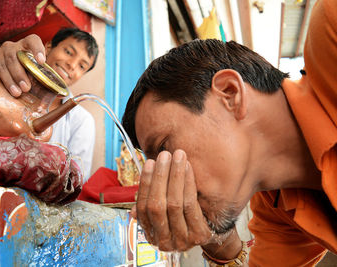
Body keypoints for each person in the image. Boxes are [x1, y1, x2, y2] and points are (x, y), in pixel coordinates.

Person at [121, 0, 337, 266]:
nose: (166, 183)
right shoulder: (279, 211)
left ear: (230, 93)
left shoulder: (331, 29)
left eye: (165, 148)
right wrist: (214, 237)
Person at [0, 28, 99, 180]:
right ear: (48, 47)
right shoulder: (11, 82)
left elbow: (77, 177)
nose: (72, 65)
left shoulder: (82, 120)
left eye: (82, 66)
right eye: (68, 52)